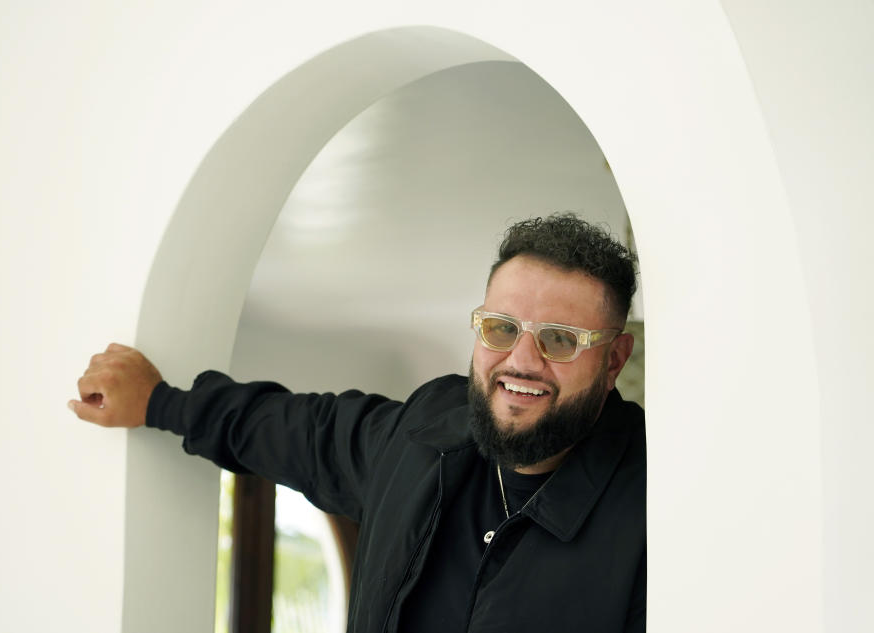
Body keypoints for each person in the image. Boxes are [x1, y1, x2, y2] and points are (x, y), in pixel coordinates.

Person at [70, 213, 645, 632]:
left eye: (560, 341)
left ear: (614, 359)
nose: (522, 361)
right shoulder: (424, 434)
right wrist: (160, 402)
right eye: (500, 329)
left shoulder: (658, 508)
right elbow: (299, 432)